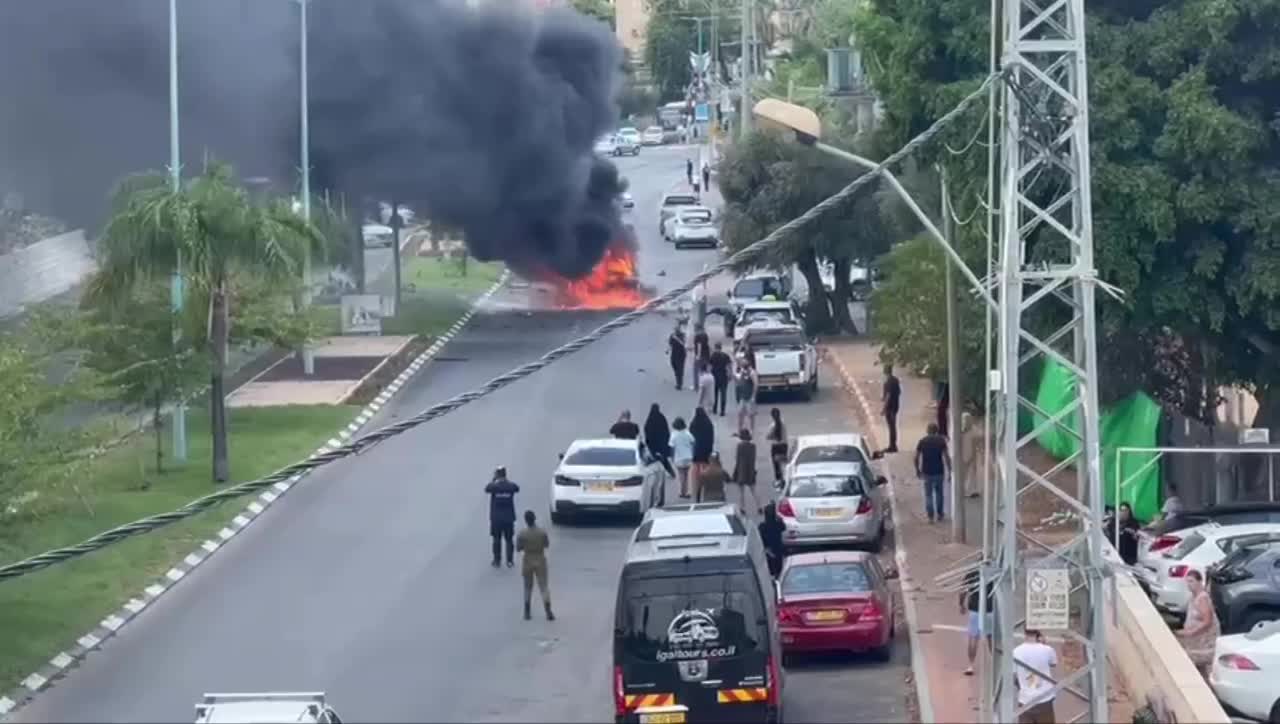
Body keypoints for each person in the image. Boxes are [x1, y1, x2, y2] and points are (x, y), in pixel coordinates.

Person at [1177, 569, 1221, 678]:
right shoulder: (1193, 597)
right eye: (1187, 582)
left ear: (1200, 582)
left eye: (1191, 581)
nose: (1188, 585)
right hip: (1196, 641)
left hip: (1205, 644)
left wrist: (1191, 632)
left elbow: (1208, 621)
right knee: (1201, 671)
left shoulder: (1202, 598)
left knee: (1187, 660)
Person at [1012, 629, 1058, 723]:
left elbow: (1014, 676)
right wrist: (1044, 644)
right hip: (1045, 697)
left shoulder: (1016, 651)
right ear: (1038, 633)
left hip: (1025, 699)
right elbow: (1053, 663)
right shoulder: (1047, 650)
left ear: (1024, 633)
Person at [516, 510, 555, 621]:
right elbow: (546, 545)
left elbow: (518, 548)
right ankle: (548, 611)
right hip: (540, 559)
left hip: (527, 560)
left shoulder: (522, 534)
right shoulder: (542, 532)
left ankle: (527, 612)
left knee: (527, 587)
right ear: (535, 518)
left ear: (526, 520)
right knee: (543, 587)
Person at [959, 566, 995, 676]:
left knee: (973, 638)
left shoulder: (972, 574)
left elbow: (963, 591)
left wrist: (961, 604)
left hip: (975, 610)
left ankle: (970, 665)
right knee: (991, 638)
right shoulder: (994, 574)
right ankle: (995, 663)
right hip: (989, 610)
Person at [915, 423, 951, 523]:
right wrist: (950, 470)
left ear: (927, 430)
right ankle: (940, 514)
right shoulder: (941, 441)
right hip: (939, 471)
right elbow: (946, 457)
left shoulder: (922, 442)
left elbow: (916, 457)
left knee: (928, 495)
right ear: (936, 431)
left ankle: (930, 516)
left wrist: (917, 470)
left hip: (927, 472)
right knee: (939, 494)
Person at [484, 467, 520, 568]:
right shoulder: (510, 486)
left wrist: (494, 479)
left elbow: (487, 488)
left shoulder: (494, 487)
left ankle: (497, 560)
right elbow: (517, 488)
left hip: (496, 519)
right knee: (509, 540)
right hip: (509, 518)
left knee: (496, 539)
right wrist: (506, 481)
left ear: (497, 475)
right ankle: (510, 561)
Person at [689, 407, 716, 498]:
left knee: (695, 470)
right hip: (706, 450)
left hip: (696, 451)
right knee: (704, 469)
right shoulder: (709, 424)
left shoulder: (693, 424)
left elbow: (690, 438)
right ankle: (704, 487)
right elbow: (712, 438)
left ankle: (696, 491)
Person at [643, 403, 675, 476]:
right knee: (663, 458)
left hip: (653, 443)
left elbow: (646, 430)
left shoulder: (649, 419)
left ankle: (655, 473)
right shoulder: (661, 417)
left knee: (656, 457)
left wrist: (647, 441)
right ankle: (670, 472)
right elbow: (666, 430)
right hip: (662, 442)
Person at [732, 428, 760, 511]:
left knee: (741, 492)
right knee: (754, 490)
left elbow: (737, 459)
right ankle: (759, 506)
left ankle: (742, 507)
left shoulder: (740, 446)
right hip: (751, 470)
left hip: (741, 470)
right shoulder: (753, 446)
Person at [759, 502, 786, 578]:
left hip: (769, 550)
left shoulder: (762, 526)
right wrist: (780, 520)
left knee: (771, 568)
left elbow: (761, 539)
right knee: (778, 568)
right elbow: (783, 527)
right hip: (778, 549)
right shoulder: (777, 524)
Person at [670, 416, 696, 498]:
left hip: (679, 458)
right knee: (687, 475)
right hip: (688, 457)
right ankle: (688, 491)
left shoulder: (674, 435)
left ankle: (682, 492)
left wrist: (672, 457)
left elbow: (672, 447)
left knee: (681, 475)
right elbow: (693, 442)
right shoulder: (687, 433)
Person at [708, 343, 733, 416]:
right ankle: (722, 411)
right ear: (721, 348)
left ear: (715, 348)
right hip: (723, 377)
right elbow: (729, 366)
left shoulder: (713, 356)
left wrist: (709, 375)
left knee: (715, 394)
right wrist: (730, 375)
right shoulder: (725, 356)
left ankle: (715, 409)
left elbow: (710, 367)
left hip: (715, 376)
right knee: (723, 394)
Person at [734, 359, 759, 434]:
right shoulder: (742, 371)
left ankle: (752, 430)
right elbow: (739, 381)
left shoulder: (752, 373)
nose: (741, 367)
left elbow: (756, 384)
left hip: (749, 397)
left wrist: (753, 396)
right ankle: (739, 429)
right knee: (740, 413)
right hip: (743, 397)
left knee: (750, 415)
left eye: (742, 365)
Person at [882, 365, 902, 452]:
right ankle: (893, 445)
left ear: (885, 371)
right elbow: (899, 392)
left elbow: (888, 396)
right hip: (895, 406)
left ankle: (892, 446)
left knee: (891, 427)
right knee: (893, 427)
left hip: (890, 408)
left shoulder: (888, 382)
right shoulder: (895, 380)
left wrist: (884, 408)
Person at [766, 408, 788, 484]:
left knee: (776, 465)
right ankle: (785, 478)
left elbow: (768, 436)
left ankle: (779, 480)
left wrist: (772, 437)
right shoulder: (783, 423)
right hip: (784, 446)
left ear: (772, 416)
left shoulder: (772, 426)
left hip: (776, 447)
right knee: (783, 463)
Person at [667, 325, 687, 390]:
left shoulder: (682, 335)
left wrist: (677, 338)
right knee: (673, 365)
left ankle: (679, 384)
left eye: (677, 329)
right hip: (674, 353)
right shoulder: (672, 335)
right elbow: (670, 344)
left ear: (679, 330)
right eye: (675, 329)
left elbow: (684, 344)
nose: (676, 330)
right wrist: (667, 350)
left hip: (681, 354)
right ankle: (678, 377)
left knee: (680, 369)